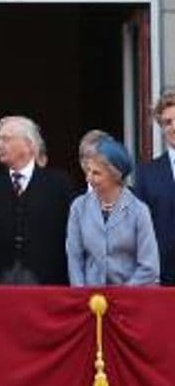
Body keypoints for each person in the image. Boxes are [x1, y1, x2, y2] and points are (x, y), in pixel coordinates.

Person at [0, 116, 74, 285]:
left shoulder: (58, 184)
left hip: (47, 282)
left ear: (29, 144)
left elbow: (70, 235)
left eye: (6, 139)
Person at [67, 136, 160, 287]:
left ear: (115, 175)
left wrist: (121, 296)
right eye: (88, 171)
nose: (88, 178)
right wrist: (82, 294)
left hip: (130, 298)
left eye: (96, 173)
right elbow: (75, 259)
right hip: (90, 298)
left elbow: (149, 267)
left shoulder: (139, 211)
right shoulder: (79, 207)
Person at [133, 90, 175, 286]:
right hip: (164, 278)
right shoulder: (147, 174)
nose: (173, 127)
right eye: (167, 122)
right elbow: (141, 230)